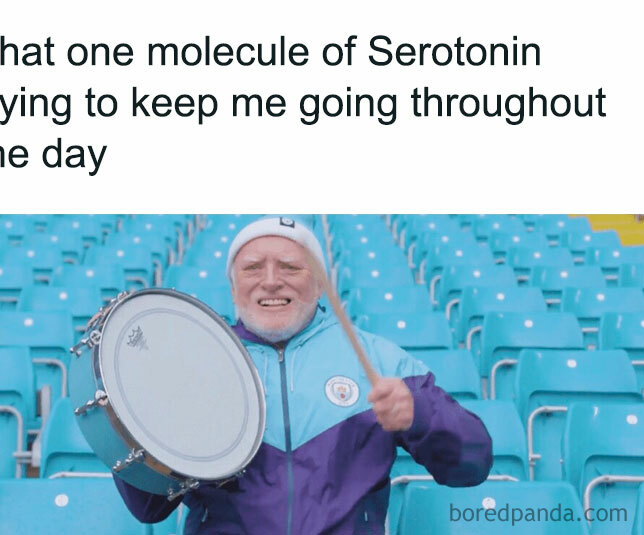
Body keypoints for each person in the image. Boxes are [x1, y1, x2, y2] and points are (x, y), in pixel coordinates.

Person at [114, 216, 493, 535]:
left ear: (319, 283)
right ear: (233, 288)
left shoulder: (380, 361)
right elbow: (148, 506)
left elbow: (471, 465)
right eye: (252, 268)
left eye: (290, 267)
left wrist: (420, 414)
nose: (271, 280)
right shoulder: (196, 365)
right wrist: (137, 421)